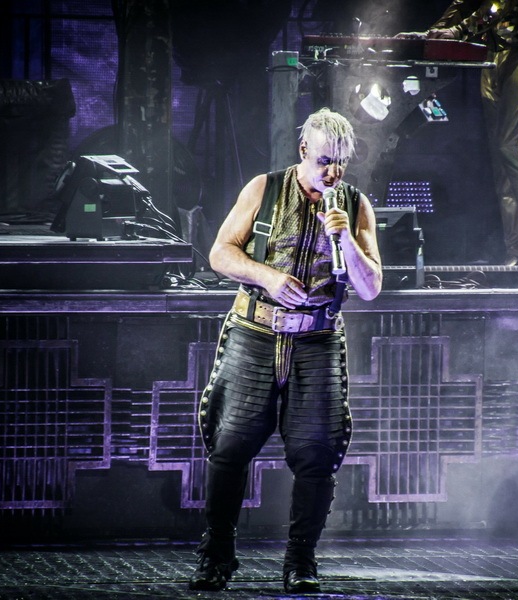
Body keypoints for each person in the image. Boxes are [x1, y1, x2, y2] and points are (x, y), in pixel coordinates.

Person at [188, 108, 382, 593]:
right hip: (255, 331)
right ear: (303, 152)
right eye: (323, 161)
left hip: (317, 338)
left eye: (340, 162)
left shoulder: (355, 205)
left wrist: (346, 240)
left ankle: (301, 562)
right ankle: (217, 556)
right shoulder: (265, 188)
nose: (332, 172)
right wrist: (267, 276)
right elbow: (220, 253)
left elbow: (371, 286)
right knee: (230, 447)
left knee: (317, 454)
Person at [398, 0, 518, 273]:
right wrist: (435, 34)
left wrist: (458, 31)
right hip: (496, 43)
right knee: (500, 152)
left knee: (512, 145)